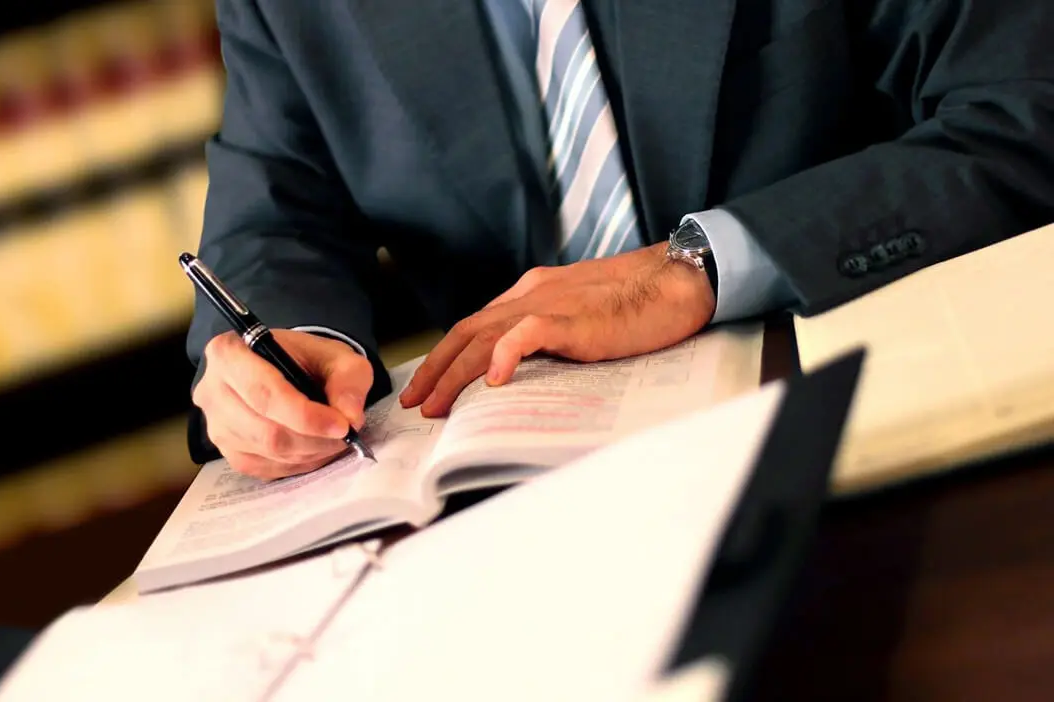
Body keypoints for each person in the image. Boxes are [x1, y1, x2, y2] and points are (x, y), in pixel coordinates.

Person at [186, 0, 1054, 478]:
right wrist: (293, 348)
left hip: (862, 413)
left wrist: (695, 267)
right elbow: (273, 212)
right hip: (523, 489)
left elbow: (1023, 112)